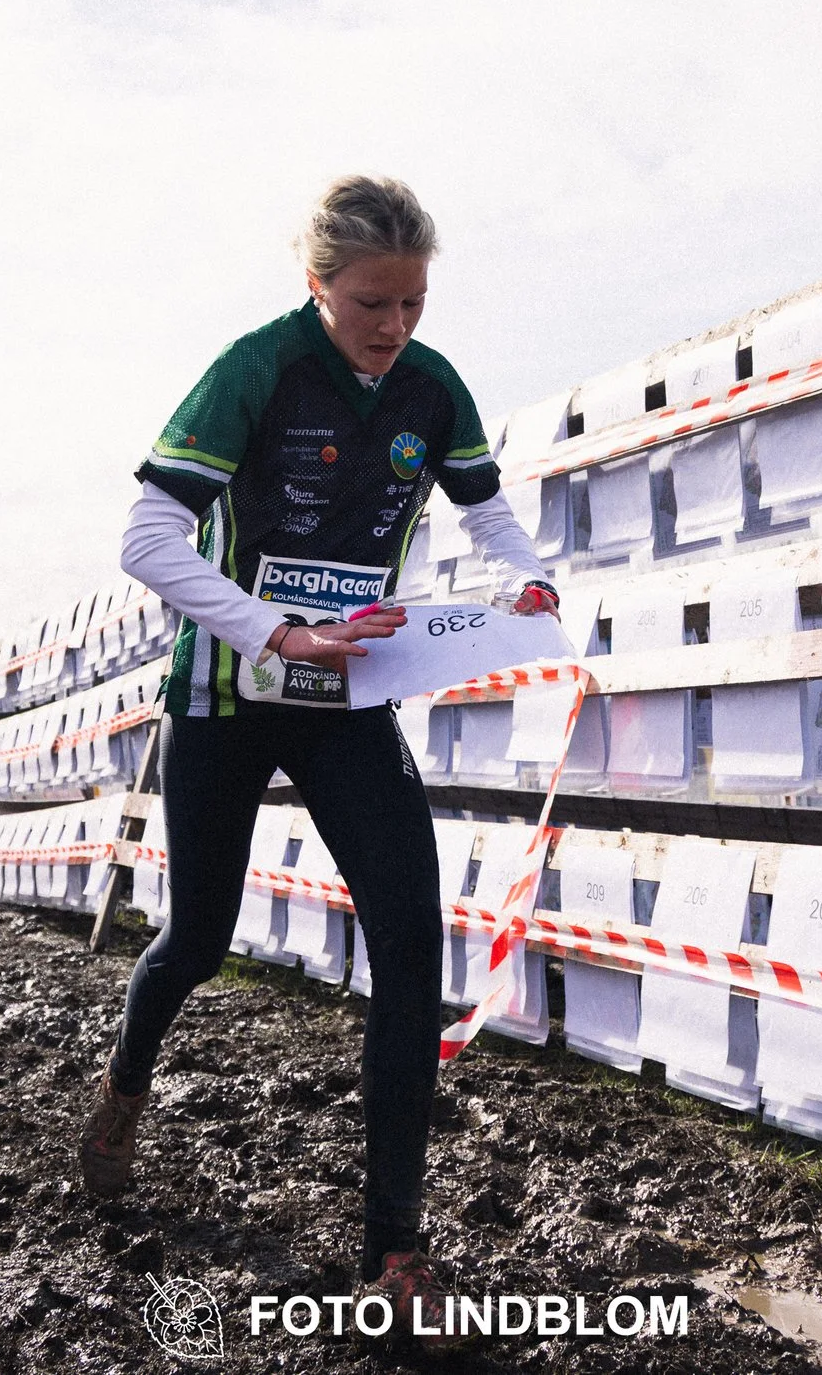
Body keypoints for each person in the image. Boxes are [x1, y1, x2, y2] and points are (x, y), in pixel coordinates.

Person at [75, 175, 556, 1334]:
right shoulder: (257, 366)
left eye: (412, 302)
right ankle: (127, 1080)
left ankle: (392, 1244)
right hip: (229, 691)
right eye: (368, 304)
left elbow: (486, 511)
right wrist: (275, 630)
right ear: (317, 286)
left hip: (349, 693)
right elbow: (146, 535)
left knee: (409, 946)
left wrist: (524, 573)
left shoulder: (434, 387)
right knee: (196, 934)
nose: (392, 327)